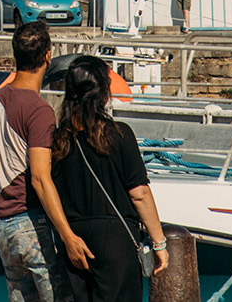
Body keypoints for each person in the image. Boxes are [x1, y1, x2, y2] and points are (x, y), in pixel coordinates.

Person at [0, 20, 92, 302]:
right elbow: (40, 178)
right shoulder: (39, 110)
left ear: (16, 55)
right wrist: (68, 236)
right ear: (47, 57)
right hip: (30, 221)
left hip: (2, 225)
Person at [51, 55, 169, 302]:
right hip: (115, 238)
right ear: (104, 93)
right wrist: (159, 243)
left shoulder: (58, 141)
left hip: (75, 238)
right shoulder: (119, 134)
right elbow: (139, 193)